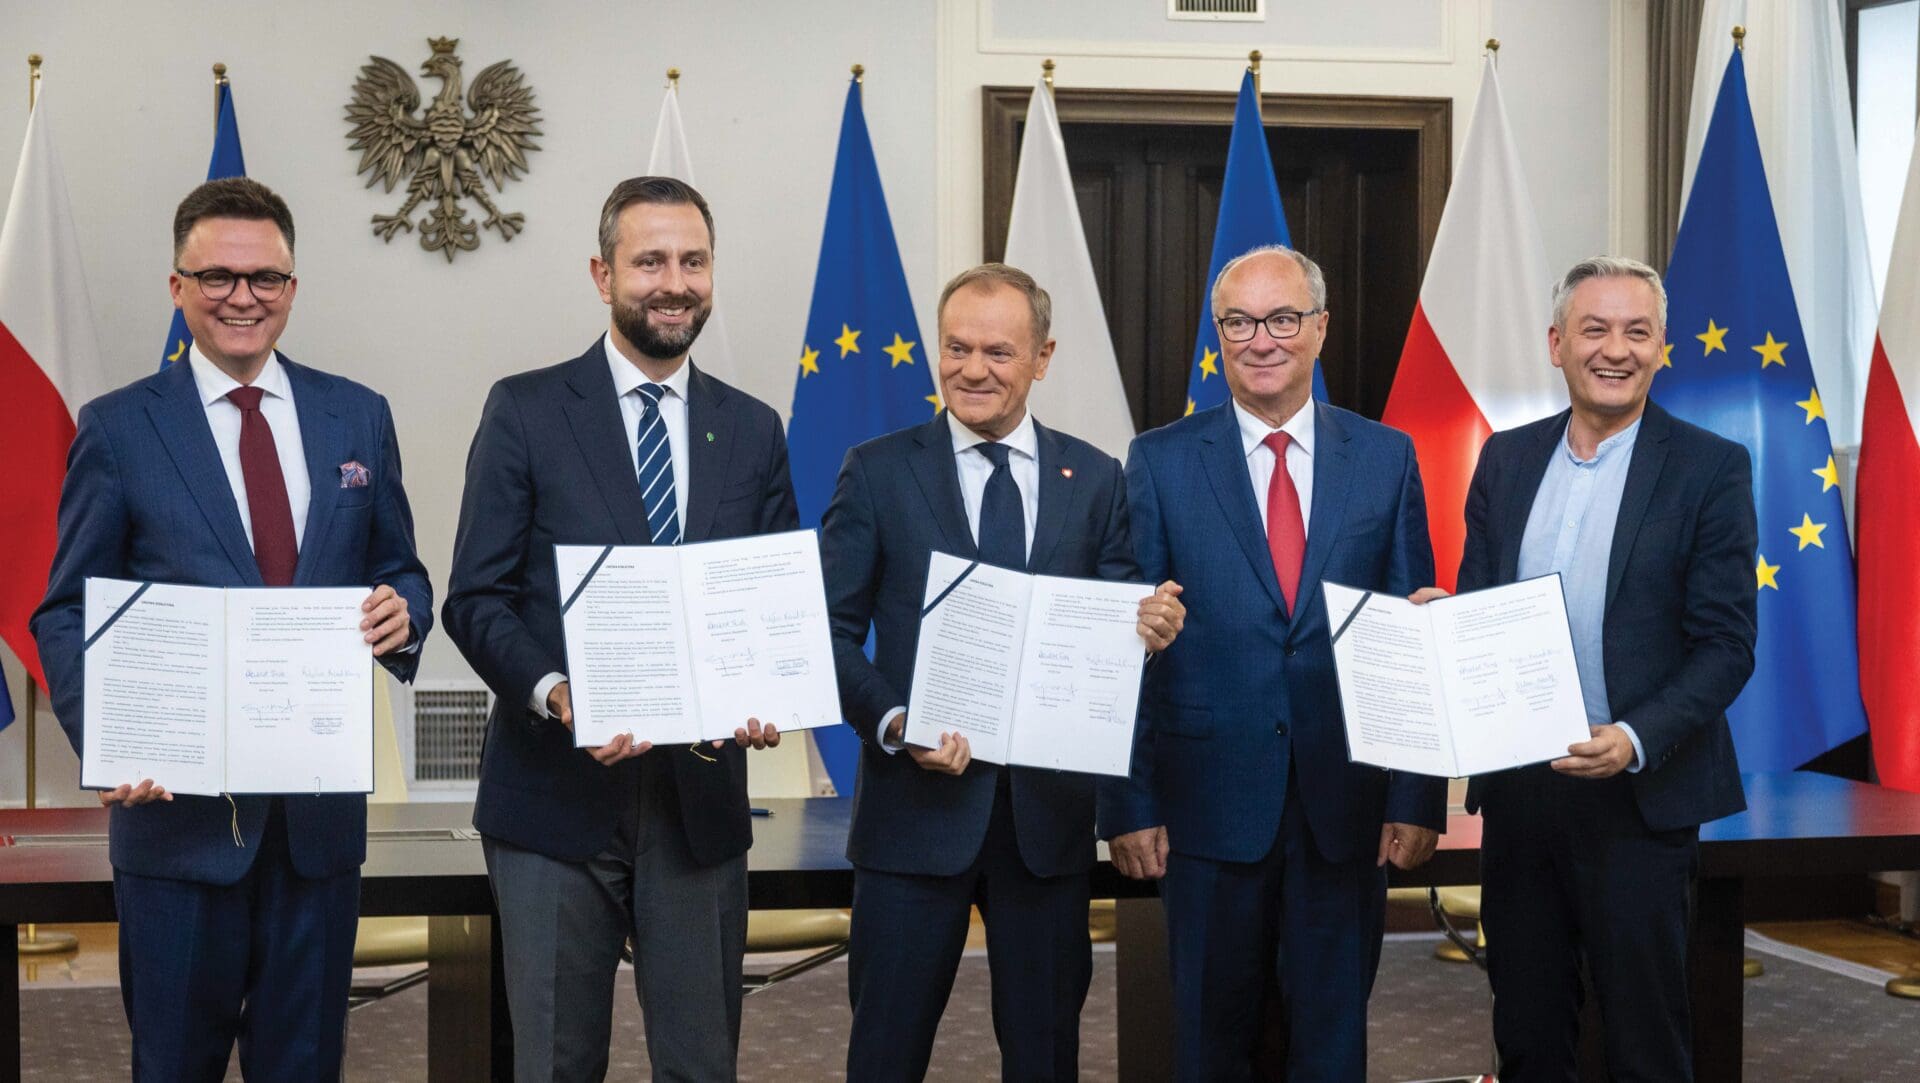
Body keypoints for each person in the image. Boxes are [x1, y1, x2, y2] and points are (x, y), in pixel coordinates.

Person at [31, 177, 433, 1082]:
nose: (242, 297)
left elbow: (400, 564)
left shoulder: (356, 413)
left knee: (305, 1067)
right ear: (176, 287)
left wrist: (403, 609)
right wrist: (109, 737)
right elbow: (67, 606)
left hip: (317, 831)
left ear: (294, 286)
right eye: (216, 276)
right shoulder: (120, 427)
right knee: (174, 1065)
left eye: (265, 278)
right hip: (177, 828)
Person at [442, 176, 791, 1082]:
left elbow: (773, 602)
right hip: (554, 799)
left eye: (693, 260)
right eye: (649, 261)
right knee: (556, 1062)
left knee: (701, 1063)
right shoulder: (524, 409)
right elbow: (474, 597)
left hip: (699, 802)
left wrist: (768, 690)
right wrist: (560, 694)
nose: (673, 282)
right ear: (603, 274)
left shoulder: (754, 429)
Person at [822, 263, 1185, 1081]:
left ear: (1043, 358)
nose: (972, 368)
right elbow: (829, 633)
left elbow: (1116, 630)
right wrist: (894, 721)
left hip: (1045, 830)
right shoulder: (877, 471)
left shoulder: (1094, 479)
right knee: (884, 1055)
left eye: (997, 350)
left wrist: (1148, 625)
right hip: (913, 823)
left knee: (1046, 1056)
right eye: (955, 347)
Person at [1098, 245, 1444, 1080]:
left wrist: (1417, 792)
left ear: (1319, 328)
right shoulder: (1158, 459)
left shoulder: (1387, 457)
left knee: (1331, 1046)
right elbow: (1124, 644)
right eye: (1240, 321)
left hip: (1345, 809)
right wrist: (1127, 802)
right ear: (1218, 336)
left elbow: (1413, 637)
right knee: (1210, 1046)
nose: (1263, 339)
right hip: (1203, 811)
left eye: (1283, 318)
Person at [1430, 256, 1755, 1080]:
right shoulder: (1504, 461)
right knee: (1530, 1032)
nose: (1617, 349)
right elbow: (1480, 609)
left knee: (1646, 1040)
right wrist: (1445, 624)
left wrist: (1635, 737)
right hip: (1522, 798)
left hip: (1639, 799)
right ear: (1556, 344)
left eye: (1637, 331)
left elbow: (1727, 644)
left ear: (1662, 347)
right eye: (1595, 329)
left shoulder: (1709, 468)